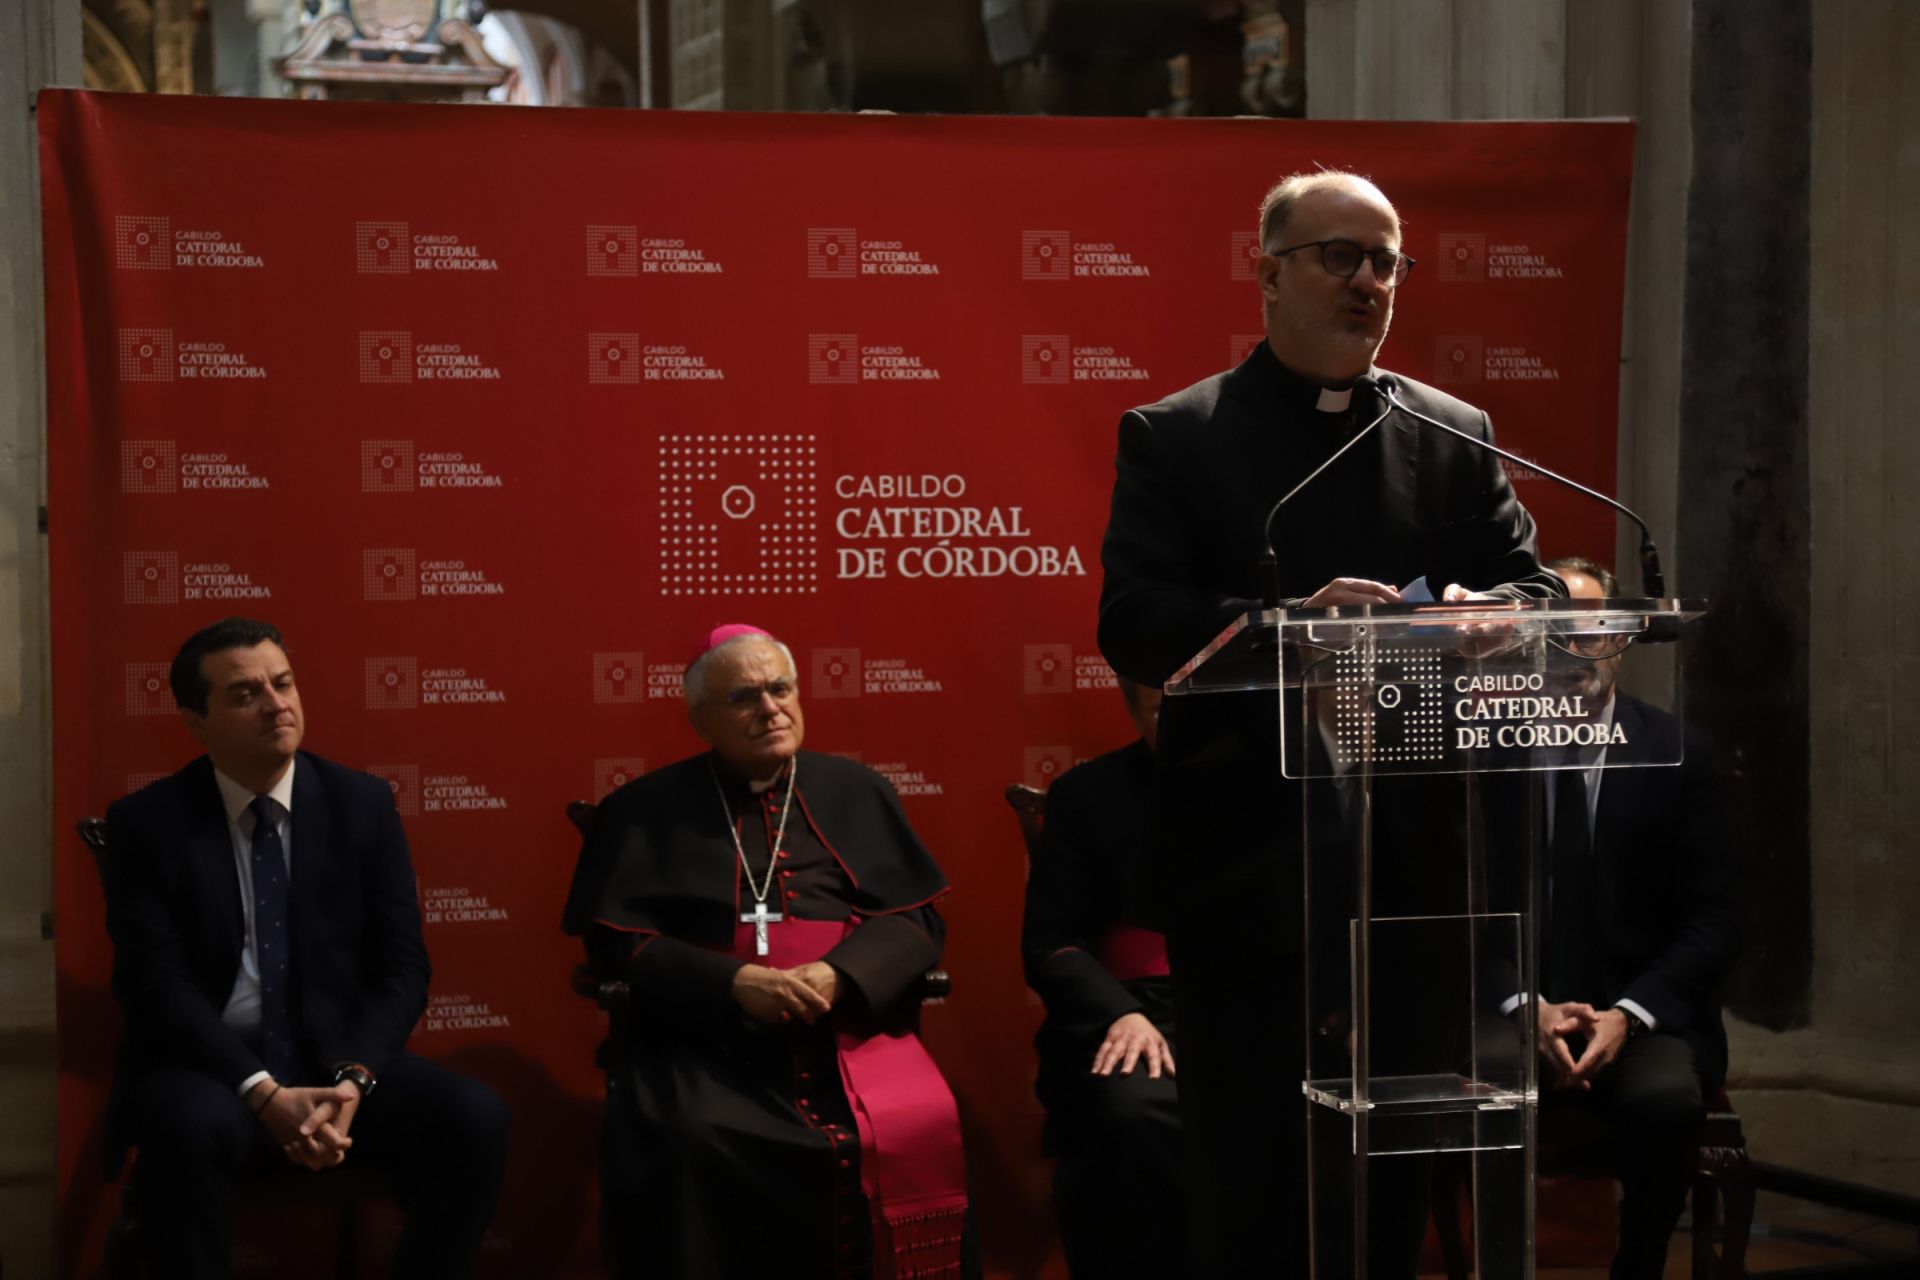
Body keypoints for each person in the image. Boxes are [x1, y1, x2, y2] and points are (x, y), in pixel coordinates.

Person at [1096, 169, 1564, 1277]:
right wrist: (1283, 623)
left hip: (1416, 871)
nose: (1369, 281)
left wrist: (1498, 615)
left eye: (1386, 261)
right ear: (1267, 272)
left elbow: (1535, 590)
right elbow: (1133, 618)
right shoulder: (1178, 433)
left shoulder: (1450, 432)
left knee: (1392, 1169)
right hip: (1251, 868)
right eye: (1340, 256)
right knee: (1252, 1174)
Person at [99, 617, 508, 1279]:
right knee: (188, 1129)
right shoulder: (148, 825)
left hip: (333, 1058)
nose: (276, 704)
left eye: (283, 683)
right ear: (195, 723)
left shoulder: (361, 804)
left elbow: (403, 969)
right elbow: (157, 988)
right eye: (244, 694)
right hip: (211, 1067)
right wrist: (261, 1091)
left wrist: (352, 1084)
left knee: (475, 1116)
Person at [565, 624, 968, 1280]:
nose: (770, 708)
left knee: (921, 1120)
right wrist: (734, 982)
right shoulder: (643, 809)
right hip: (707, 1038)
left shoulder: (857, 791)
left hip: (845, 1027)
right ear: (701, 720)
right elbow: (617, 940)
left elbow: (913, 915)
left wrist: (841, 976)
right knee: (690, 1134)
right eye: (744, 697)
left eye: (780, 689)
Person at [1505, 557, 1740, 1279]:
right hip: (1517, 1011)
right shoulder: (1489, 755)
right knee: (1463, 1093)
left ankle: (1636, 1267)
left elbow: (1716, 922)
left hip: (1646, 1013)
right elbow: (1460, 913)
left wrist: (1630, 1013)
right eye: (1554, 634)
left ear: (1624, 639)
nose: (1572, 651)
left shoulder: (1682, 754)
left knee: (1667, 1102)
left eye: (1590, 633)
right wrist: (1524, 1005)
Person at [1021, 679, 1182, 1277]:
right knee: (1133, 1114)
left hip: (1248, 1006)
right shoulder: (1087, 794)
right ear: (1132, 708)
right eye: (1166, 711)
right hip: (1134, 1007)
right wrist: (1119, 1012)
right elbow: (1050, 942)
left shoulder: (1271, 786)